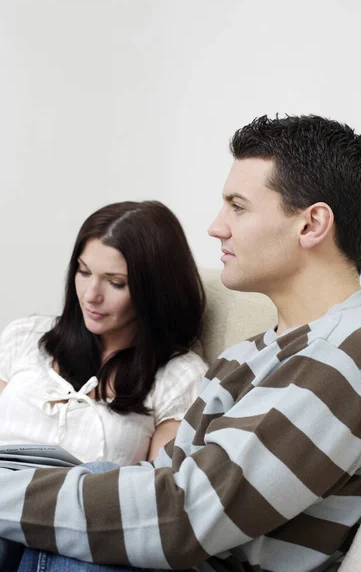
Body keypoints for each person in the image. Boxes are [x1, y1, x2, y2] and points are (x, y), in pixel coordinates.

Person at [1, 114, 361, 572]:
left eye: (238, 206)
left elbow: (178, 520)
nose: (216, 227)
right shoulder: (247, 355)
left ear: (311, 225)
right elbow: (158, 483)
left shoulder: (347, 361)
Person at [0, 200, 207, 570]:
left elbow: (160, 498)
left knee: (92, 513)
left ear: (153, 289)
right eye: (83, 272)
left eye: (116, 283)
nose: (91, 295)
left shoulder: (180, 377)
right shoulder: (26, 336)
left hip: (73, 535)